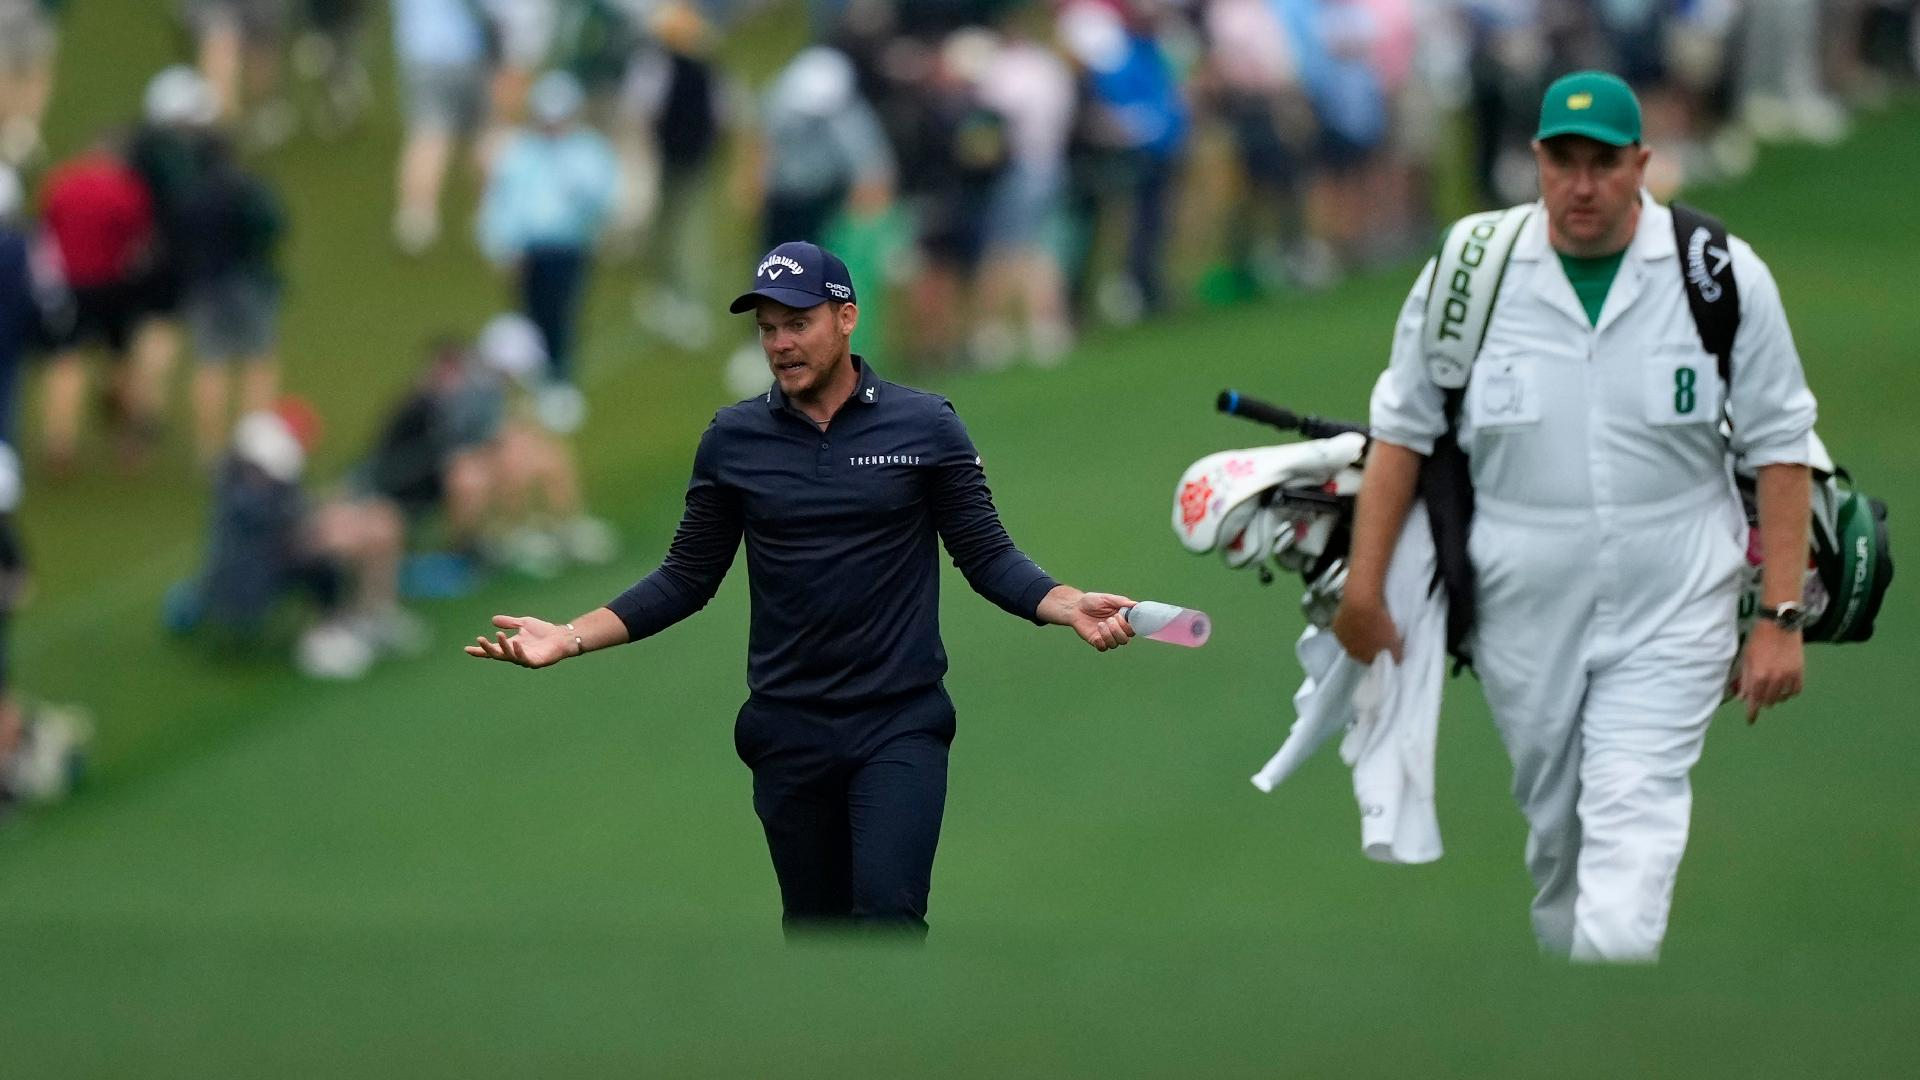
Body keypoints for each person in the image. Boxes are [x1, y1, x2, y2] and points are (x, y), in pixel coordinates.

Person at [467, 241, 1140, 935]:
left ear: (845, 318)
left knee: (888, 916)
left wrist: (1067, 604)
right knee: (818, 933)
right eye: (767, 328)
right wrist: (570, 637)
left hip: (898, 721)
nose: (781, 343)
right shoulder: (734, 441)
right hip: (788, 728)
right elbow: (686, 578)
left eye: (797, 323)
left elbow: (986, 554)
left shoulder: (925, 425)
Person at [1332, 72, 1818, 963]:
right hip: (1522, 595)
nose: (1583, 184)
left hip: (1679, 587)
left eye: (1604, 163)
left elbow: (1782, 443)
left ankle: (1614, 981)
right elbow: (1401, 432)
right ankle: (1587, 1001)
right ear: (1537, 163)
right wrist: (1363, 591)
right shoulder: (1471, 272)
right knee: (1561, 836)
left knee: (1634, 813)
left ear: (1643, 163)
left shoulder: (1715, 271)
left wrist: (1780, 617)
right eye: (1565, 162)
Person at [477, 69, 619, 388]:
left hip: (568, 246)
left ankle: (560, 376)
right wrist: (501, 244)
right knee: (529, 315)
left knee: (561, 314)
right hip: (528, 248)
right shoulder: (520, 151)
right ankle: (534, 377)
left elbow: (601, 197)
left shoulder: (587, 150)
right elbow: (504, 202)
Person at [177, 133, 287, 465]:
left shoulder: (189, 194)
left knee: (211, 364)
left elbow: (177, 239)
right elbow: (275, 226)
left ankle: (209, 449)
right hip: (250, 283)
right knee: (258, 362)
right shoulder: (249, 188)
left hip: (205, 286)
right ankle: (254, 447)